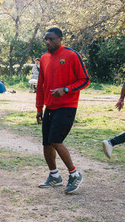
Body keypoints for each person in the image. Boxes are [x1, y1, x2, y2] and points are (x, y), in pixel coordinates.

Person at [36, 27, 90, 194]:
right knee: (46, 142)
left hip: (67, 106)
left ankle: (74, 174)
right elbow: (41, 86)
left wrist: (66, 89)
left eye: (51, 39)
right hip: (49, 107)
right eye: (46, 39)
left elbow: (85, 80)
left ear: (60, 39)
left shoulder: (71, 55)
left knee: (55, 140)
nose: (47, 42)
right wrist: (39, 108)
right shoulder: (44, 58)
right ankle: (54, 176)